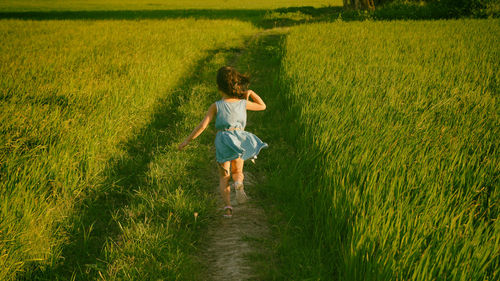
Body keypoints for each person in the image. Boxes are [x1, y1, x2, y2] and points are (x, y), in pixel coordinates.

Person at [178, 66, 268, 218]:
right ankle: (239, 184)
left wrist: (187, 140)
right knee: (238, 171)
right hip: (239, 139)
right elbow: (262, 106)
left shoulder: (216, 106)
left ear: (219, 86)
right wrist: (251, 93)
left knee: (224, 177)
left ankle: (228, 208)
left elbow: (202, 126)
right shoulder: (242, 103)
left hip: (223, 141)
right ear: (236, 85)